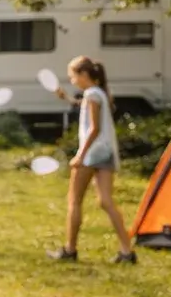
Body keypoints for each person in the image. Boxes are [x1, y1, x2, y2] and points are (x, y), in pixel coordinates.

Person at [48, 55, 136, 263]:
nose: (72, 81)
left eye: (73, 76)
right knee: (106, 202)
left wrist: (80, 155)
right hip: (106, 152)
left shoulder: (92, 95)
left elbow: (94, 128)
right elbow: (89, 109)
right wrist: (68, 99)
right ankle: (127, 251)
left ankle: (70, 250)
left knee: (74, 201)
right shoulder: (99, 93)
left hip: (91, 154)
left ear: (84, 75)